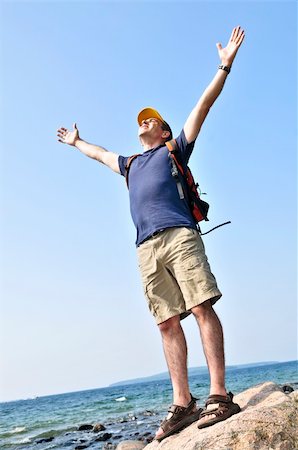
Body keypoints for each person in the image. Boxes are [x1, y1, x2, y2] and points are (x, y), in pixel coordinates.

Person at [57, 26, 245, 441]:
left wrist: (224, 66)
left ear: (163, 131)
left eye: (151, 120)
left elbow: (203, 105)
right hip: (146, 248)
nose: (143, 123)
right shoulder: (131, 164)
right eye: (140, 120)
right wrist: (76, 142)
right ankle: (183, 403)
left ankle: (219, 395)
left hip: (179, 235)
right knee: (166, 323)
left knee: (200, 308)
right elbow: (102, 155)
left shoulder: (173, 149)